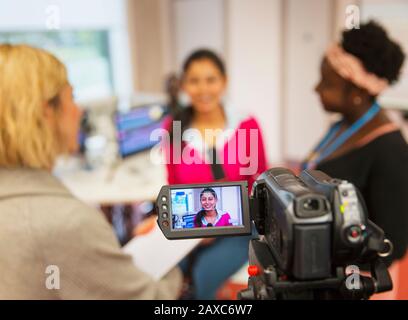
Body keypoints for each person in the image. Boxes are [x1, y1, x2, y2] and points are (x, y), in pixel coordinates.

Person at [0, 44, 182, 299]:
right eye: (71, 97)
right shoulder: (66, 223)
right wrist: (166, 249)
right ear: (46, 112)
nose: (80, 110)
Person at [164, 49, 267, 299]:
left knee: (204, 275)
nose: (203, 89)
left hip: (239, 226)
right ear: (184, 85)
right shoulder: (173, 127)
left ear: (224, 81)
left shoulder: (246, 124)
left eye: (210, 79)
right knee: (165, 274)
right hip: (191, 227)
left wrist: (216, 226)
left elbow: (260, 187)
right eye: (194, 80)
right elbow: (174, 185)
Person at [302, 21, 408, 265]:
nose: (316, 88)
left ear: (357, 92)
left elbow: (393, 244)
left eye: (327, 83)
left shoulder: (391, 150)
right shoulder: (341, 126)